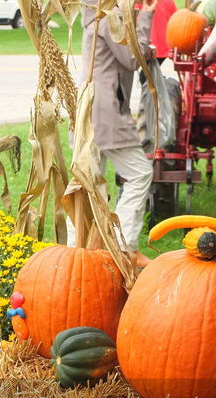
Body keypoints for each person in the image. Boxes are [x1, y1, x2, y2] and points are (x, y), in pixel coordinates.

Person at [79, 0, 156, 266]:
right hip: (107, 112)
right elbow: (133, 58)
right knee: (139, 173)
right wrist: (145, 17)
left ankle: (78, 251)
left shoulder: (95, 17)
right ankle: (124, 247)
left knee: (88, 182)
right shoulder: (106, 18)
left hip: (90, 109)